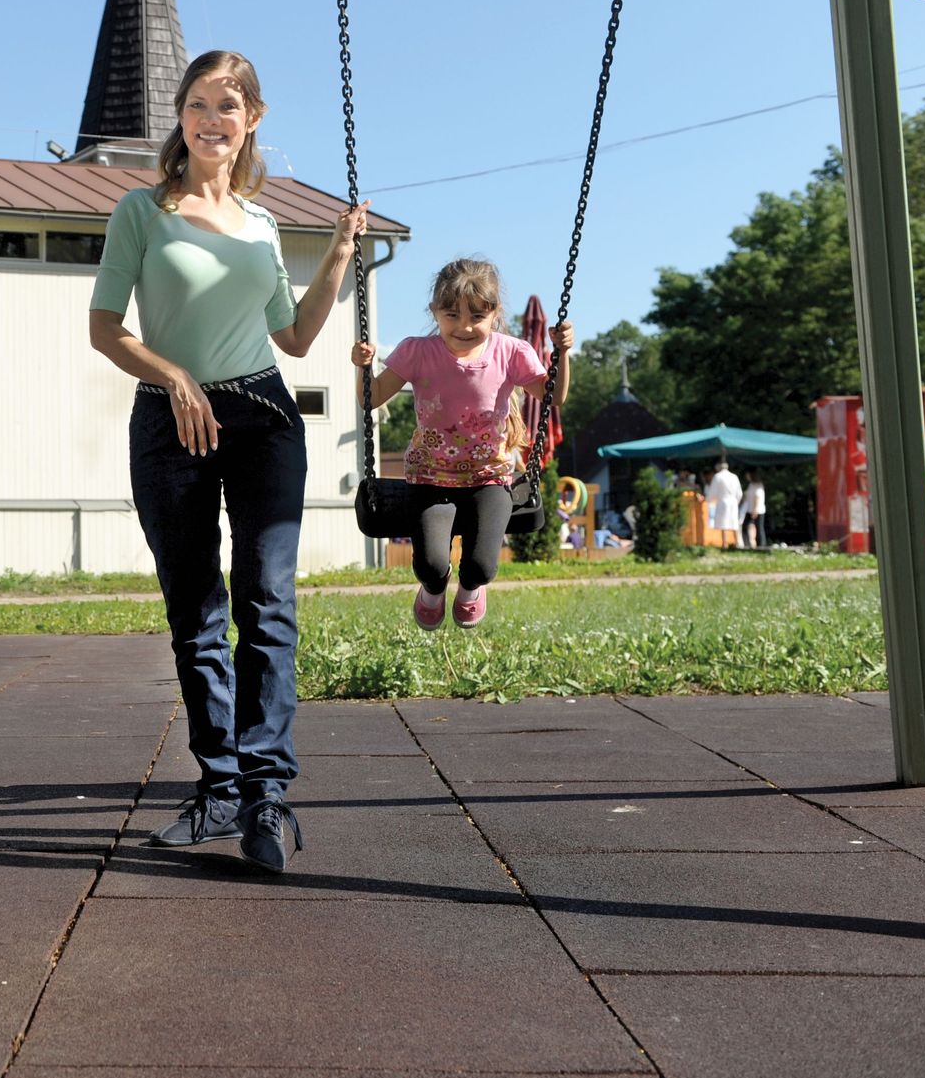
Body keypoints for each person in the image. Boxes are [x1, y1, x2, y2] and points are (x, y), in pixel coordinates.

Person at [89, 49, 370, 874]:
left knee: (267, 600)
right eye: (200, 104)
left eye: (230, 106)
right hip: (170, 418)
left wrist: (341, 259)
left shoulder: (264, 221)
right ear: (180, 117)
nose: (214, 119)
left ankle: (265, 792)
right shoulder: (141, 212)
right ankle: (217, 786)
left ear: (252, 120)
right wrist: (172, 375)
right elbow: (107, 328)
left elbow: (296, 336)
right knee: (197, 609)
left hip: (263, 414)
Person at [353, 258, 573, 631]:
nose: (464, 326)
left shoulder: (511, 351)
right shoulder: (417, 352)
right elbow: (370, 399)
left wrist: (562, 354)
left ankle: (471, 590)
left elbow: (552, 397)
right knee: (430, 565)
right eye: (452, 314)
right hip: (430, 478)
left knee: (483, 566)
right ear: (434, 311)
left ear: (494, 313)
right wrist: (363, 367)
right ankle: (433, 591)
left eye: (476, 315)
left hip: (489, 478)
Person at [706, 460, 743, 547]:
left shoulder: (718, 476)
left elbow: (713, 491)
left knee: (724, 523)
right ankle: (737, 542)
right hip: (733, 502)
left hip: (723, 501)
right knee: (734, 523)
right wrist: (736, 502)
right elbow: (739, 493)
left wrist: (708, 500)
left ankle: (724, 543)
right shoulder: (734, 477)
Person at [741, 471, 768, 549]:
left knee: (759, 528)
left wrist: (755, 510)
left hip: (758, 510)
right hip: (749, 509)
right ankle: (747, 544)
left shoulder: (758, 485)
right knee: (745, 527)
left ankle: (761, 546)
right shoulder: (751, 485)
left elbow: (757, 498)